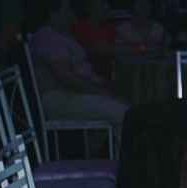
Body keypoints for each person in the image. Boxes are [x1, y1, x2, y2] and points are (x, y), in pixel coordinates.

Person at [29, 0, 128, 128]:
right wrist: (100, 92)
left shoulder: (65, 35)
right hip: (62, 98)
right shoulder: (47, 37)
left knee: (126, 106)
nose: (71, 14)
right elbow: (67, 78)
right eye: (67, 10)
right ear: (54, 13)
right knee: (124, 113)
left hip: (78, 94)